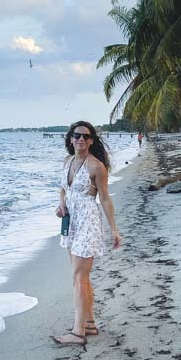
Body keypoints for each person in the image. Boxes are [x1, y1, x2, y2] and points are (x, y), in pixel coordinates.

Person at [53, 121, 122, 345]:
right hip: (71, 223)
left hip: (88, 223)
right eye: (77, 135)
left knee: (79, 277)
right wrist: (61, 204)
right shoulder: (67, 161)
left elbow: (105, 198)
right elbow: (64, 189)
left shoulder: (96, 167)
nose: (81, 139)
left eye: (85, 136)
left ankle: (78, 332)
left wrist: (114, 230)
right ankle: (89, 324)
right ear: (70, 139)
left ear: (92, 140)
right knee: (81, 277)